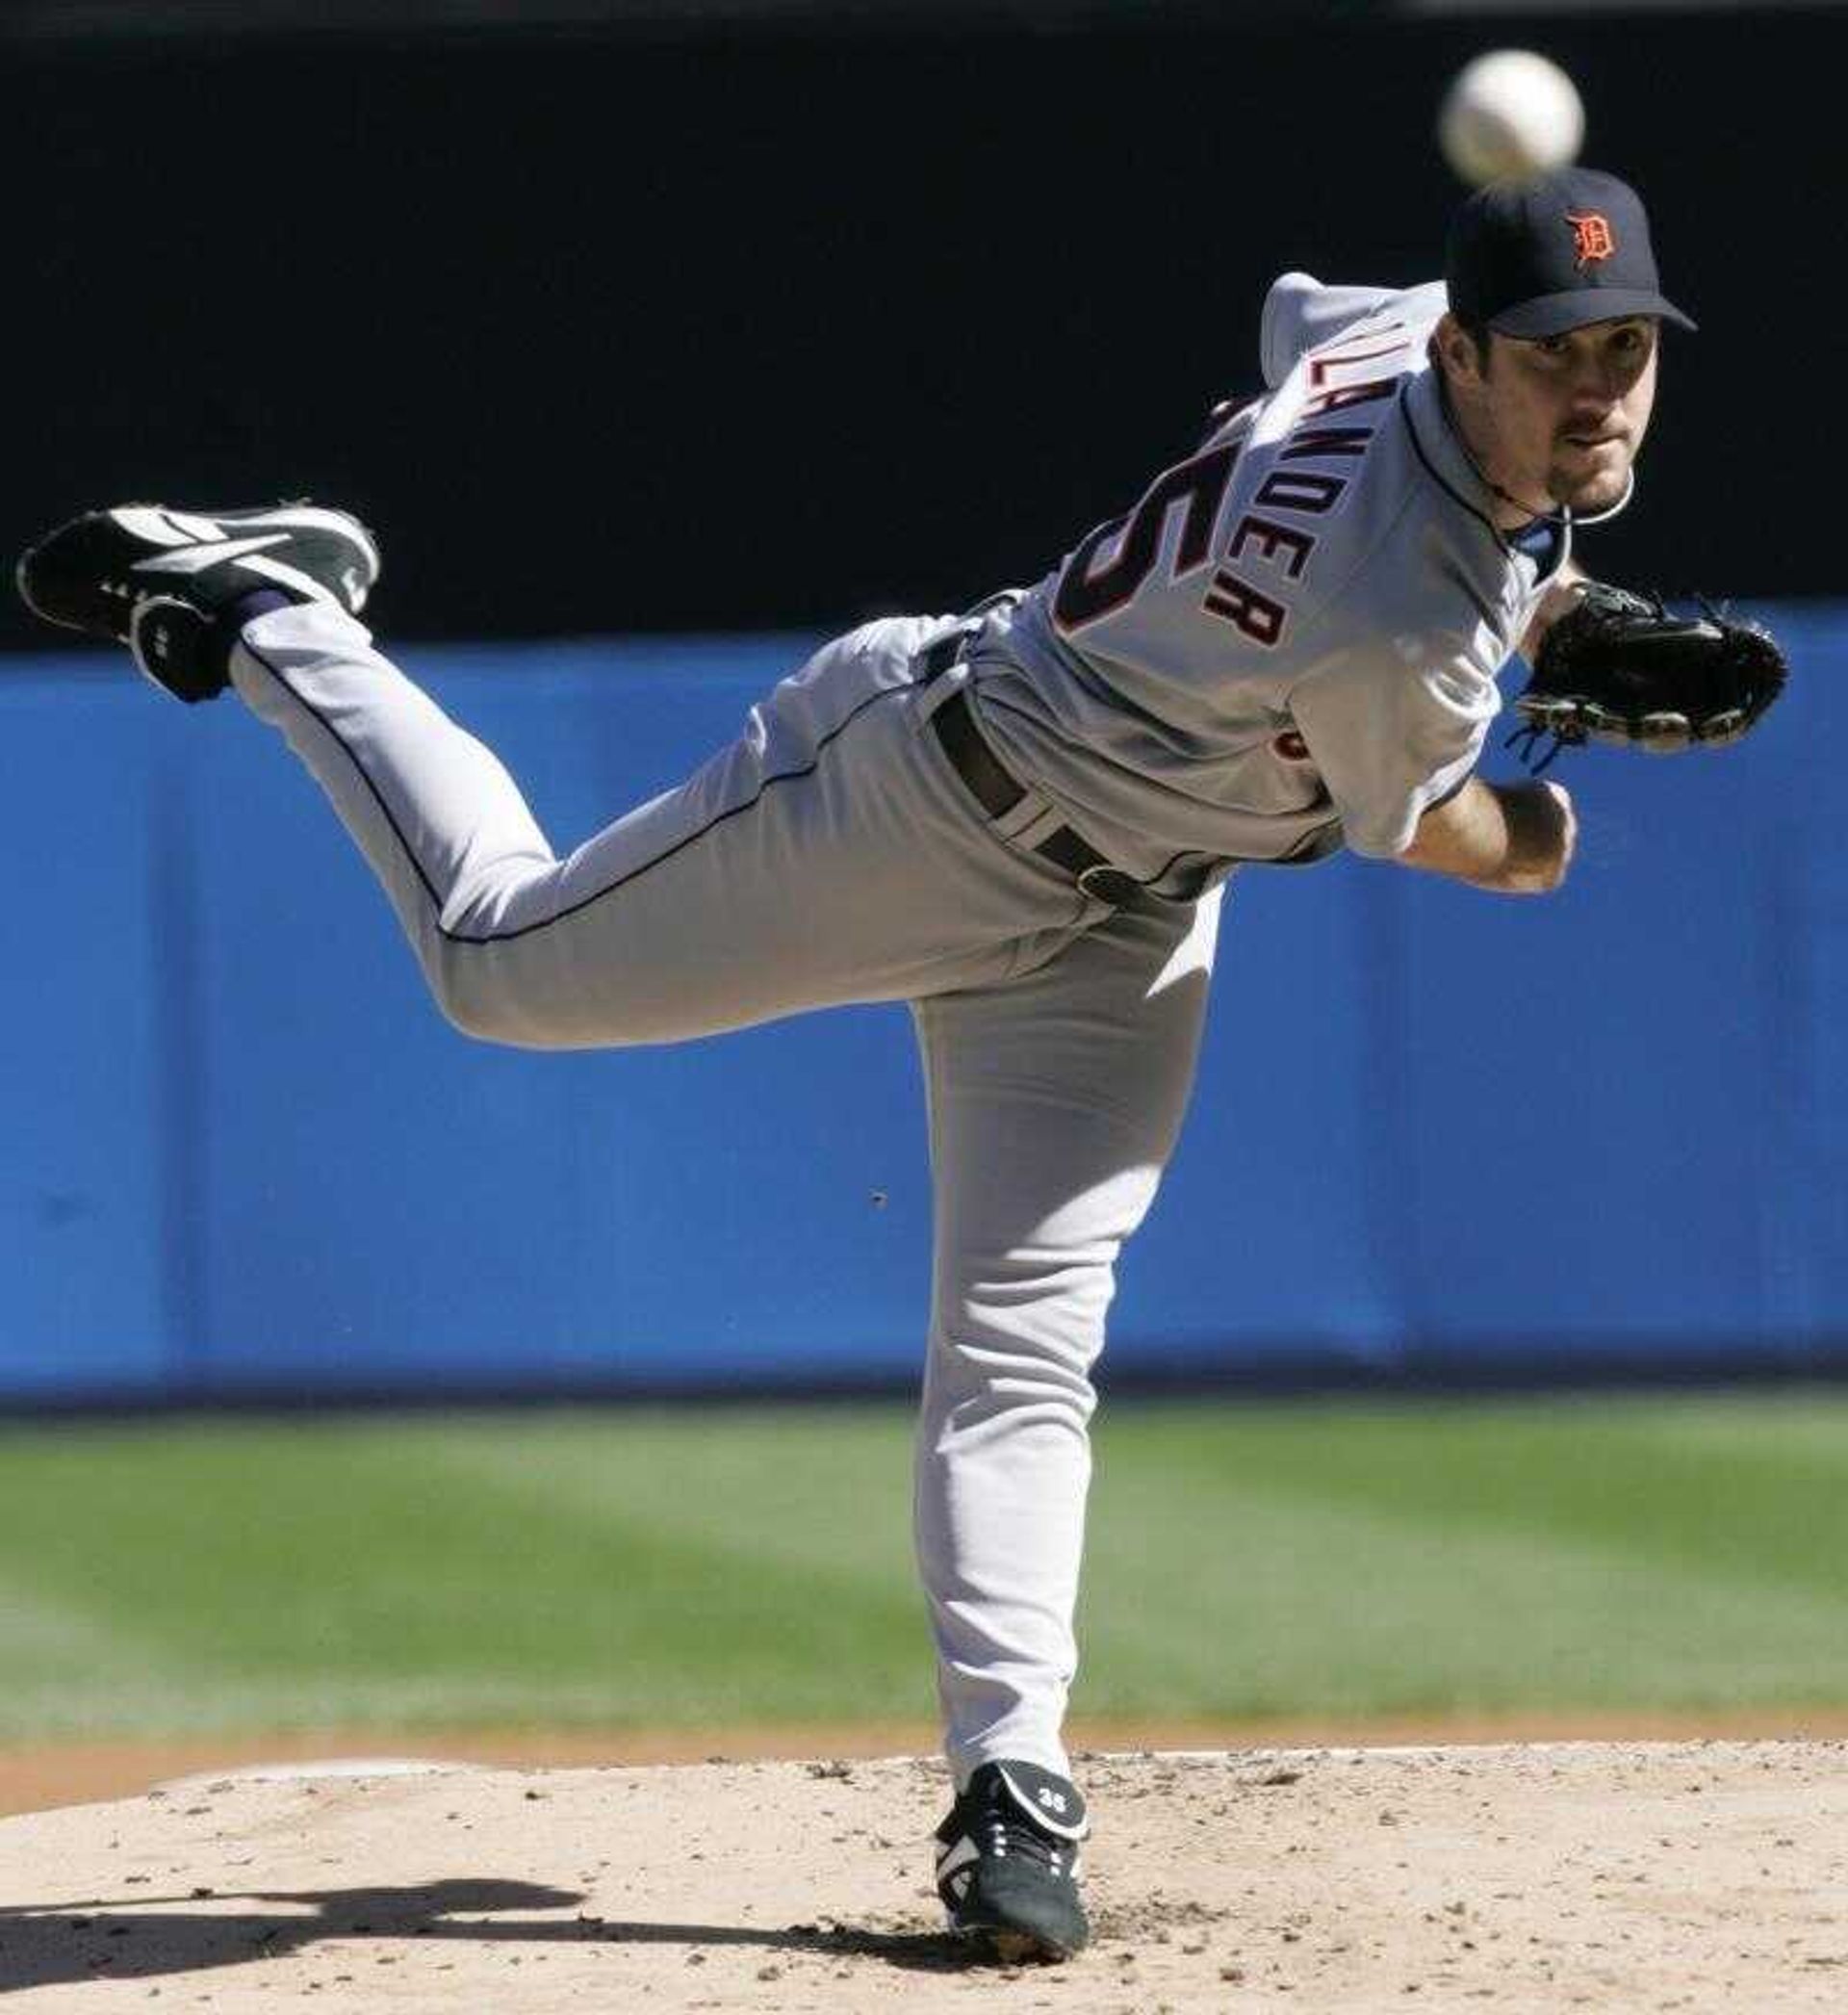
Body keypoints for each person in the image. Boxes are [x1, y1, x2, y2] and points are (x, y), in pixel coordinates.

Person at [15, 165, 1690, 1964]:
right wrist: (1569, 805)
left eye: (1623, 349)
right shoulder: (1391, 610)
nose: (1597, 389)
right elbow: (1447, 831)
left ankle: (1012, 1778)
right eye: (1551, 357)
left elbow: (1303, 323)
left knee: (1027, 1332)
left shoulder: (1388, 358)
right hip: (922, 800)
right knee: (497, 959)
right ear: (1464, 351)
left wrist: (1566, 613)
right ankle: (284, 611)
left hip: (1127, 902)